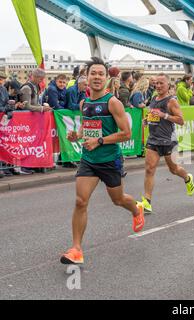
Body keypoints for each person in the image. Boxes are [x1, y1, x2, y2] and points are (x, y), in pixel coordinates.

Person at [60, 57, 145, 265]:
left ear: (107, 78)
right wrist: (77, 135)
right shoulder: (84, 103)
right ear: (86, 77)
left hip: (109, 160)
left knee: (118, 200)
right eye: (93, 73)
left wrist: (99, 141)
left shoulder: (112, 102)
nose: (97, 77)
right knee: (80, 201)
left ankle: (136, 209)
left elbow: (126, 134)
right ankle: (77, 249)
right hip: (88, 160)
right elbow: (87, 127)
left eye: (101, 74)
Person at [138, 73, 194, 215]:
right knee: (149, 169)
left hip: (168, 141)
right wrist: (147, 119)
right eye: (156, 83)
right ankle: (147, 202)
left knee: (174, 169)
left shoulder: (171, 101)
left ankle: (188, 178)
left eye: (161, 83)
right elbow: (153, 113)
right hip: (153, 140)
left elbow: (181, 120)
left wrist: (164, 116)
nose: (158, 86)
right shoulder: (153, 98)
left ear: (168, 85)